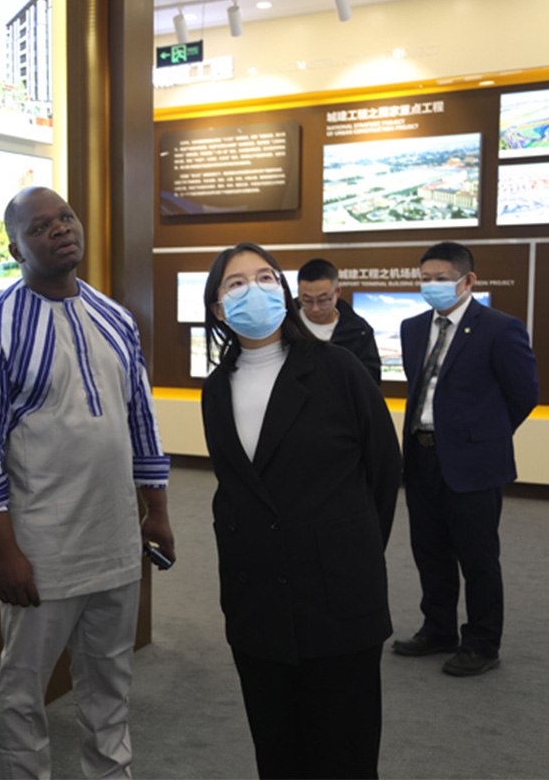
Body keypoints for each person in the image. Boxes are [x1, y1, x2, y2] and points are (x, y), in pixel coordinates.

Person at [0, 187, 174, 779]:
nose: (60, 229)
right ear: (15, 249)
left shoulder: (115, 317)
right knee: (23, 689)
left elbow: (141, 419)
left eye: (65, 217)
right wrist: (3, 552)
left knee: (110, 679)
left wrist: (157, 512)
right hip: (41, 549)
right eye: (39, 227)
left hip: (115, 538)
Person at [200, 243, 401, 779]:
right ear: (218, 307)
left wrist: (351, 550)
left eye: (266, 277)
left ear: (284, 291)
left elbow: (384, 470)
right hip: (257, 604)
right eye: (236, 283)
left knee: (344, 758)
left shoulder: (338, 368)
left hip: (338, 600)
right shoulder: (217, 388)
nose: (255, 289)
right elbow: (234, 488)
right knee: (278, 756)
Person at [391, 242, 539, 676]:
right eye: (425, 279)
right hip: (422, 456)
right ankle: (438, 630)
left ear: (468, 280)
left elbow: (523, 394)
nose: (431, 286)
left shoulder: (500, 328)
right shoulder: (413, 327)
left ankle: (482, 643)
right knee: (430, 551)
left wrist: (484, 437)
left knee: (477, 557)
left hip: (474, 463)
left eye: (441, 279)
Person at [295, 258, 381, 383]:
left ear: (337, 292)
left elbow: (370, 380)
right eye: (307, 301)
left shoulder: (358, 330)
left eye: (323, 300)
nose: (315, 308)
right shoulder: (284, 323)